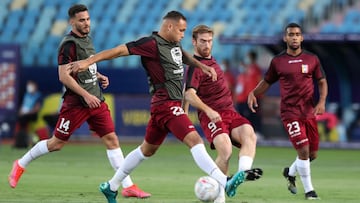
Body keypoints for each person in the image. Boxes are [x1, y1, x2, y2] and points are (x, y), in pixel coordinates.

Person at [71, 11, 261, 203]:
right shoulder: (151, 44)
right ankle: (224, 181)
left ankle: (111, 186)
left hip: (164, 107)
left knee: (147, 150)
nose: (183, 35)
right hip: (166, 103)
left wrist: (202, 66)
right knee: (195, 141)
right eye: (181, 30)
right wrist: (87, 62)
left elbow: (184, 56)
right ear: (169, 27)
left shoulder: (174, 44)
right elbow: (119, 50)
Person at [8, 4, 150, 199]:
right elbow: (63, 76)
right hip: (77, 103)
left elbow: (84, 66)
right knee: (56, 143)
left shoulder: (87, 40)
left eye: (88, 19)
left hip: (96, 101)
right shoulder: (68, 44)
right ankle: (20, 164)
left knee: (111, 139)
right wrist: (85, 94)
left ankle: (128, 186)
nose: (86, 23)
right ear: (72, 22)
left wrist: (98, 75)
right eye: (81, 20)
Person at [247, 23, 328, 200]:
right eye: (291, 34)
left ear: (302, 38)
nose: (294, 37)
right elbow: (266, 82)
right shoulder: (278, 62)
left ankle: (290, 172)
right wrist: (253, 93)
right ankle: (310, 191)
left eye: (297, 34)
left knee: (312, 154)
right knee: (304, 151)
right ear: (285, 38)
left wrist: (321, 102)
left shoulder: (312, 59)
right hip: (290, 113)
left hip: (308, 112)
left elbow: (322, 81)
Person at [182, 25, 261, 203]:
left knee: (250, 135)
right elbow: (189, 93)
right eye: (202, 41)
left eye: (209, 41)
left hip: (230, 112)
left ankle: (240, 174)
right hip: (212, 116)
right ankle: (219, 198)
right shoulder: (196, 67)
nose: (207, 45)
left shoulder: (213, 61)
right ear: (194, 42)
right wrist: (208, 111)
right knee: (225, 151)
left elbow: (185, 93)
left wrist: (185, 111)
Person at [235, 50, 263, 136]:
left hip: (255, 96)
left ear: (252, 57)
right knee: (247, 115)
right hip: (246, 97)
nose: (246, 58)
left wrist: (259, 94)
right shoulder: (246, 70)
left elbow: (260, 81)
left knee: (254, 114)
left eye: (248, 56)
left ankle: (257, 132)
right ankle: (247, 132)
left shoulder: (256, 68)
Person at [14, 80, 43, 148]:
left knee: (23, 119)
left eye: (31, 85)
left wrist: (26, 112)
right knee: (19, 118)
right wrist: (21, 112)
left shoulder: (38, 95)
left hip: (32, 115)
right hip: (24, 114)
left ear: (35, 86)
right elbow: (22, 106)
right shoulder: (26, 95)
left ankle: (25, 139)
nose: (29, 87)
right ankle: (20, 139)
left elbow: (36, 109)